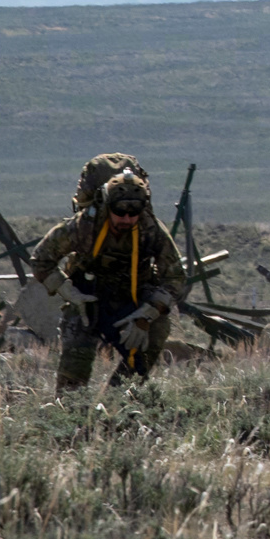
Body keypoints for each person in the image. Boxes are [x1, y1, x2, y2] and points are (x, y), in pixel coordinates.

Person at [30, 161, 187, 388]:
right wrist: (68, 291)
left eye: (134, 212)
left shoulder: (151, 230)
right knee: (75, 363)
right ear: (107, 205)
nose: (126, 219)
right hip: (87, 298)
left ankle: (118, 403)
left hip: (132, 301)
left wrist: (148, 314)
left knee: (153, 336)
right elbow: (41, 259)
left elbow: (175, 278)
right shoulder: (84, 226)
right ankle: (70, 411)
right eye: (120, 211)